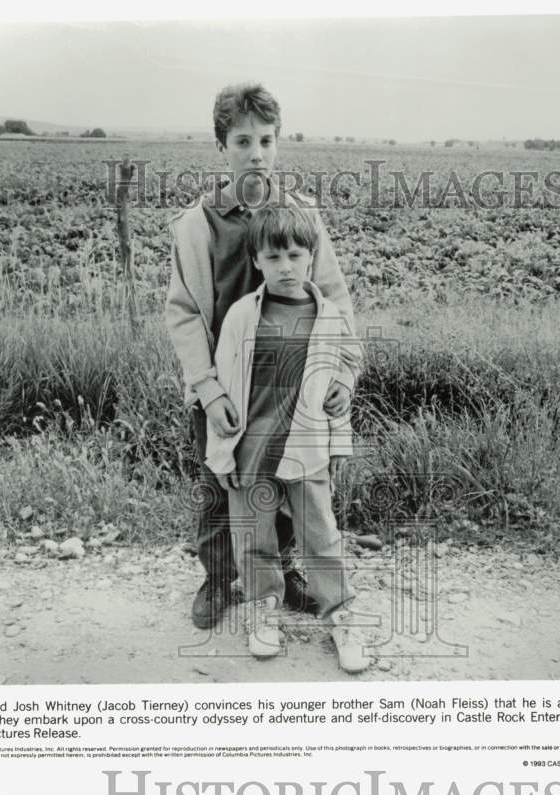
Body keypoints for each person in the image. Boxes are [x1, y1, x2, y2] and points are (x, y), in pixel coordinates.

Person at [164, 82, 359, 630]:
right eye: (243, 140)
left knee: (291, 476)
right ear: (222, 145)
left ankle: (282, 573)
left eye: (267, 140)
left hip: (291, 382)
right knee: (220, 481)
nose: (256, 153)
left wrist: (343, 369)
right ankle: (219, 574)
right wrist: (207, 388)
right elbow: (183, 313)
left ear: (278, 144)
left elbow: (336, 299)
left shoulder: (300, 217)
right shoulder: (199, 223)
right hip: (224, 386)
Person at [205, 205, 370, 673]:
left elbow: (337, 390)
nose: (285, 267)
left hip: (308, 449)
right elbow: (226, 387)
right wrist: (224, 455)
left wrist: (339, 444)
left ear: (312, 258)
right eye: (273, 257)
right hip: (252, 449)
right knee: (254, 538)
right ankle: (264, 606)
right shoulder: (241, 316)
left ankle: (340, 613)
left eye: (296, 255)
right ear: (256, 260)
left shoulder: (329, 317)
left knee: (321, 536)